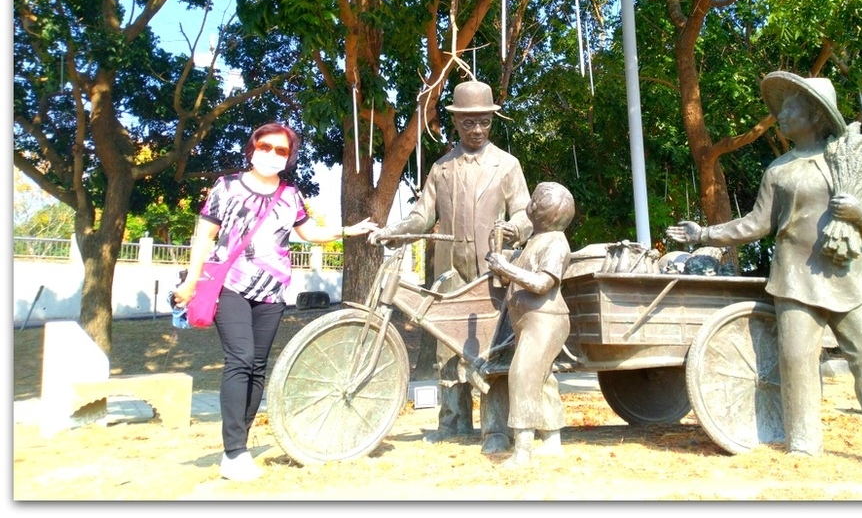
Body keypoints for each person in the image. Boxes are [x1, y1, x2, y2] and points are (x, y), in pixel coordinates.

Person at [666, 71, 862, 478]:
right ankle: (803, 446)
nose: (780, 115)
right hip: (796, 281)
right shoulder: (778, 171)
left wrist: (859, 212)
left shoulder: (849, 160)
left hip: (852, 278)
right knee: (796, 364)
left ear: (816, 115)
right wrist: (703, 233)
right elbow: (754, 224)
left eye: (790, 106)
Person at [174, 122, 379, 481]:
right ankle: (234, 451)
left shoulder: (290, 195)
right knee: (238, 360)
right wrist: (191, 280)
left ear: (289, 157)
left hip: (272, 292)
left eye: (281, 150)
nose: (271, 154)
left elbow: (308, 233)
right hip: (231, 285)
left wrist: (349, 230)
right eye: (265, 147)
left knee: (256, 365)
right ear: (252, 148)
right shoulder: (227, 187)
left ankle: (240, 446)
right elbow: (204, 234)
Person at [369, 80, 533, 454]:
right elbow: (422, 214)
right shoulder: (441, 168)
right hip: (448, 271)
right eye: (468, 123)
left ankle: (495, 429)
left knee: (493, 349)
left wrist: (515, 228)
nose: (476, 130)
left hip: (491, 273)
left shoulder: (507, 166)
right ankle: (453, 422)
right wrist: (397, 231)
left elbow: (525, 211)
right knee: (446, 346)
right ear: (456, 122)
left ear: (491, 122)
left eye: (483, 123)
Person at [485, 182, 575, 468]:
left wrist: (506, 267)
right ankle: (552, 441)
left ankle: (523, 450)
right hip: (528, 322)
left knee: (522, 375)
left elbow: (541, 283)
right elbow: (508, 279)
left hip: (546, 322)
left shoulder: (556, 242)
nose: (531, 205)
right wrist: (498, 256)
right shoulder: (534, 241)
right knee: (542, 379)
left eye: (536, 202)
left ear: (545, 211)